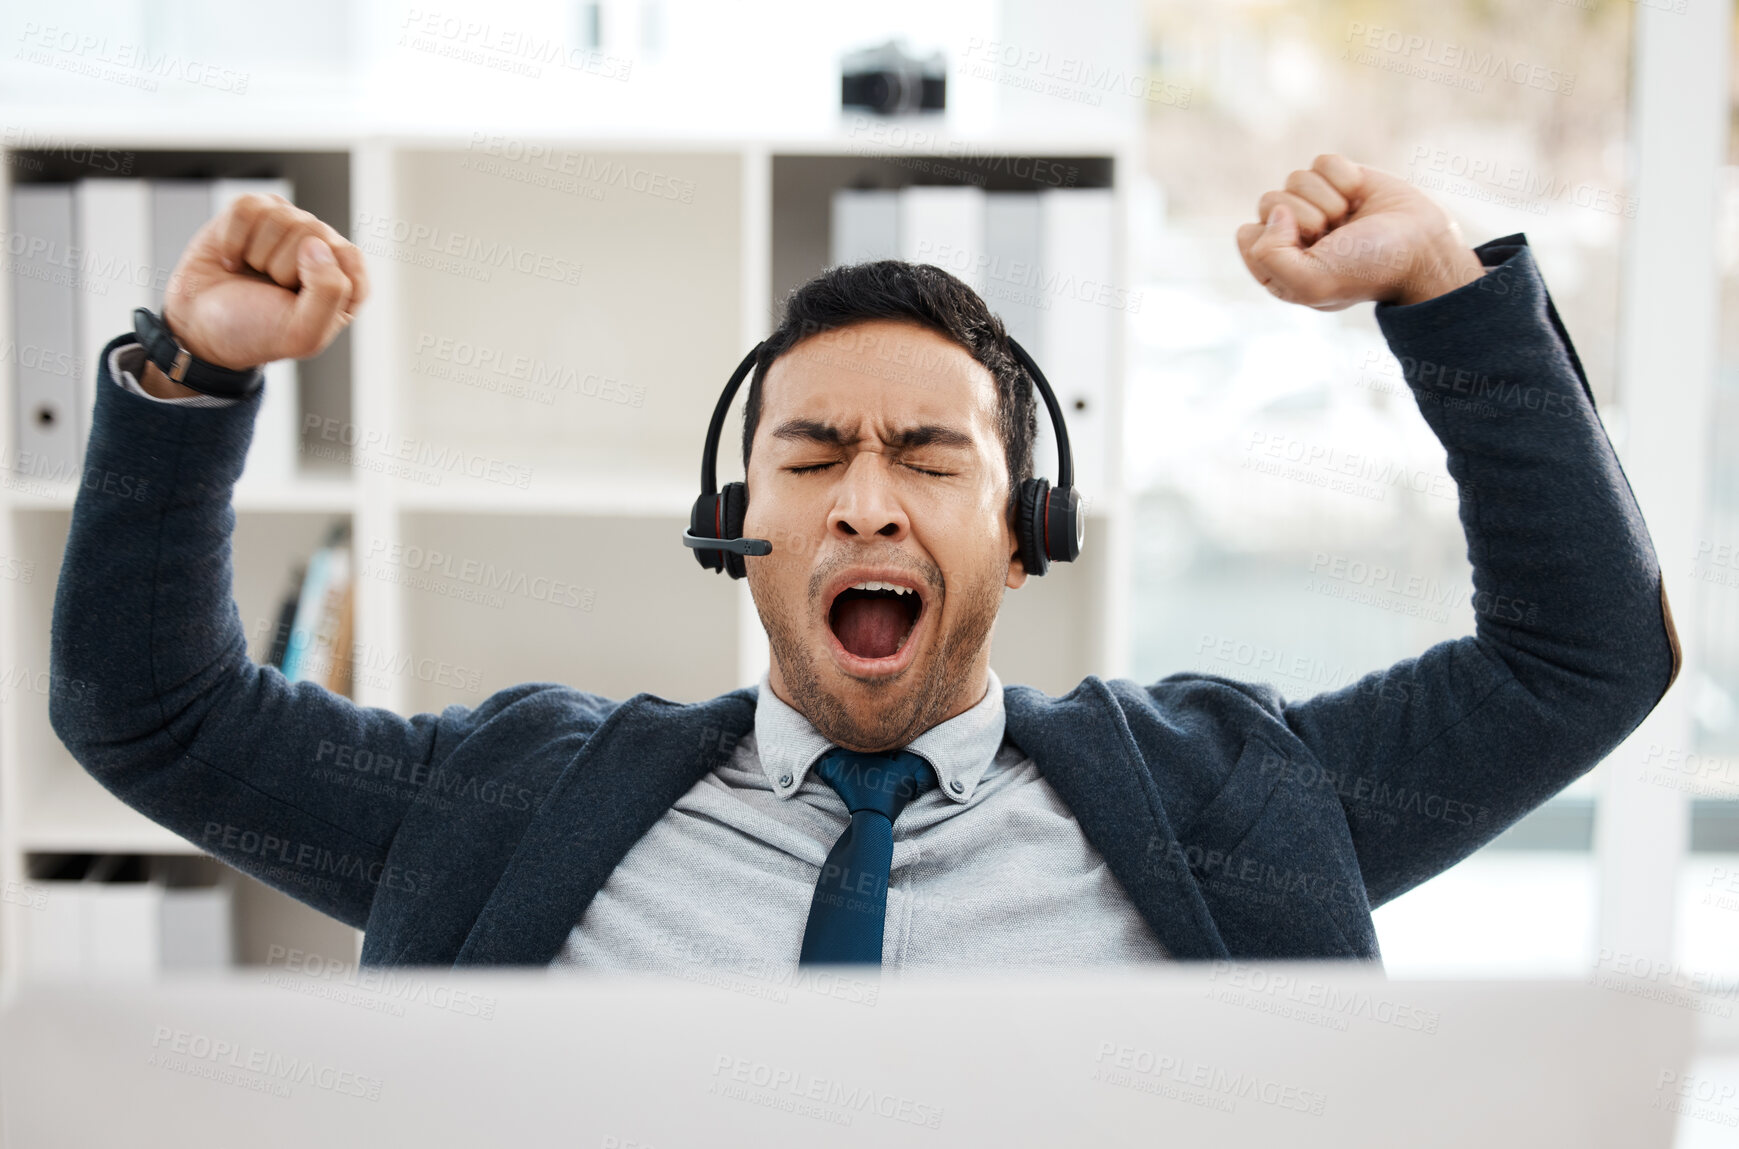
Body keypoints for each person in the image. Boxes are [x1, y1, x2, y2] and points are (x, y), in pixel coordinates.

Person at [49, 154, 1678, 971]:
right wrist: (192, 374)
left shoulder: (1239, 799)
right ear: (733, 527)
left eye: (932, 456)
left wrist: (1447, 293)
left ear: (1026, 535)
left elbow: (1582, 654)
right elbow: (152, 710)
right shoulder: (510, 796)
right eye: (813, 454)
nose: (865, 502)